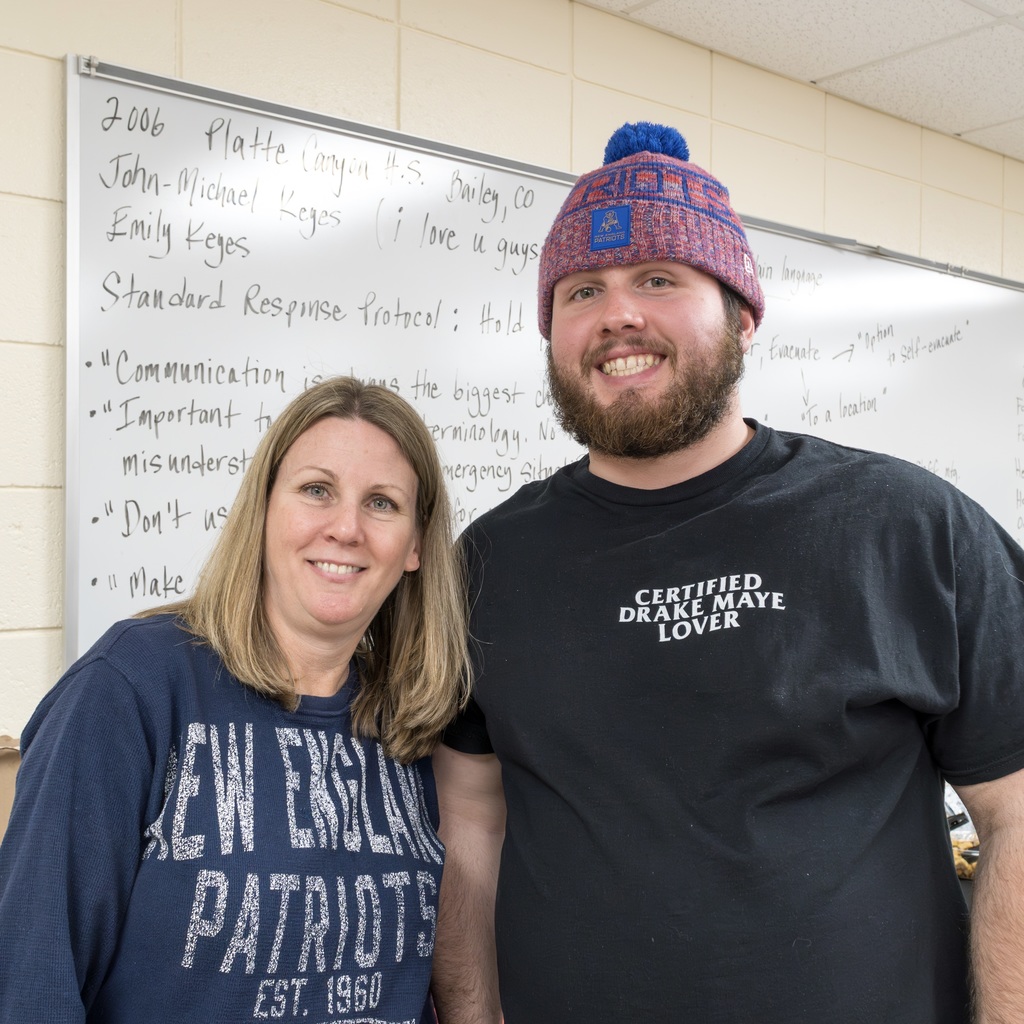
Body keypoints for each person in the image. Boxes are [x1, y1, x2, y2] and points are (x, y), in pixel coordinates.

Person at [430, 122, 1024, 1024]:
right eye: (581, 290)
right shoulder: (488, 564)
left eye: (659, 279)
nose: (616, 314)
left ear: (742, 317)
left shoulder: (907, 527)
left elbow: (1015, 815)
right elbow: (471, 826)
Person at [0, 376, 469, 1024]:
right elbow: (31, 976)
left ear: (415, 544)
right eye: (316, 490)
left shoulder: (418, 722)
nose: (346, 528)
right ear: (265, 509)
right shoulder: (132, 685)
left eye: (383, 503)